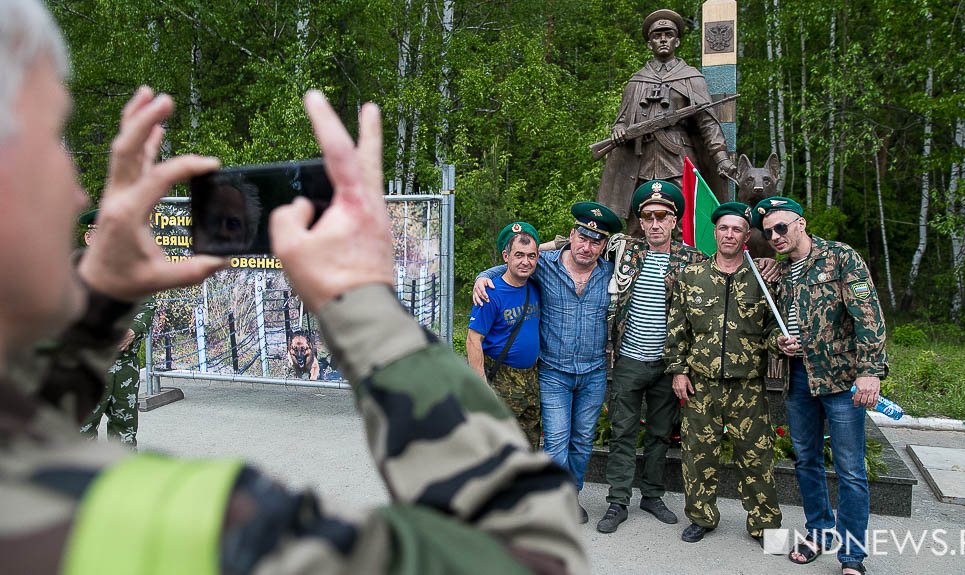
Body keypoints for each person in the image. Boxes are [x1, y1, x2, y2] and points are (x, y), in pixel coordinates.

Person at [0, 3, 586, 573]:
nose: (80, 194)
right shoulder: (173, 524)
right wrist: (362, 302)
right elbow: (530, 550)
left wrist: (99, 301)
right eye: (54, 139)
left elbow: (24, 424)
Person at [752, 196, 888, 575]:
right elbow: (771, 327)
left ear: (801, 223)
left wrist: (870, 370)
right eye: (768, 232)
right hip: (798, 377)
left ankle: (853, 556)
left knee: (850, 470)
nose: (775, 236)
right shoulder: (780, 273)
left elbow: (869, 315)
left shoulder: (840, 258)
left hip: (842, 379)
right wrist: (778, 343)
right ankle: (819, 532)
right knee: (806, 460)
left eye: (782, 227)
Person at [474, 202, 621, 523]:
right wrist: (482, 276)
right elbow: (512, 265)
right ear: (571, 235)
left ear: (604, 245)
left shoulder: (610, 273)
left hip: (594, 373)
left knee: (582, 441)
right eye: (582, 236)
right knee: (556, 440)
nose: (587, 245)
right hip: (553, 372)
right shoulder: (546, 265)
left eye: (596, 240)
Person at [664, 201, 783, 545]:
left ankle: (764, 524)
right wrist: (677, 371)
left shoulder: (761, 279)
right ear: (714, 233)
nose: (729, 234)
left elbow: (772, 330)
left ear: (746, 236)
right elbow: (677, 328)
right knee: (698, 456)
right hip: (700, 382)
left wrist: (782, 343)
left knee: (757, 457)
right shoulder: (692, 276)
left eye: (737, 229)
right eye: (723, 228)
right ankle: (701, 516)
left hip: (746, 385)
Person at [596, 180, 705, 534]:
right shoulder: (623, 251)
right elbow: (570, 246)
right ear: (640, 222)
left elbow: (729, 272)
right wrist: (489, 273)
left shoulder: (693, 261)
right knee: (623, 431)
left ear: (675, 221)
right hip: (629, 359)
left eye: (663, 216)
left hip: (668, 365)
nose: (655, 223)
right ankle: (617, 501)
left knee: (659, 433)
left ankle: (653, 494)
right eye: (648, 216)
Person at [597, 8, 736, 232]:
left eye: (668, 34)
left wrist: (721, 159)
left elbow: (708, 123)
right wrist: (619, 129)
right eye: (656, 35)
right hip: (641, 163)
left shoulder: (692, 78)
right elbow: (621, 120)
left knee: (684, 223)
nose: (663, 39)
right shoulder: (636, 82)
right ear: (649, 44)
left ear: (677, 41)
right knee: (638, 223)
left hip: (679, 162)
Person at [78, 208, 156, 447]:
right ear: (89, 238)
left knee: (125, 432)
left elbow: (147, 305)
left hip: (125, 367)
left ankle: (123, 481)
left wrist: (132, 329)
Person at [466, 221, 543, 448]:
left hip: (530, 379)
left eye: (531, 256)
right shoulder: (490, 292)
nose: (525, 262)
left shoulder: (535, 287)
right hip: (500, 380)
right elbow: (473, 339)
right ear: (505, 256)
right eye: (519, 255)